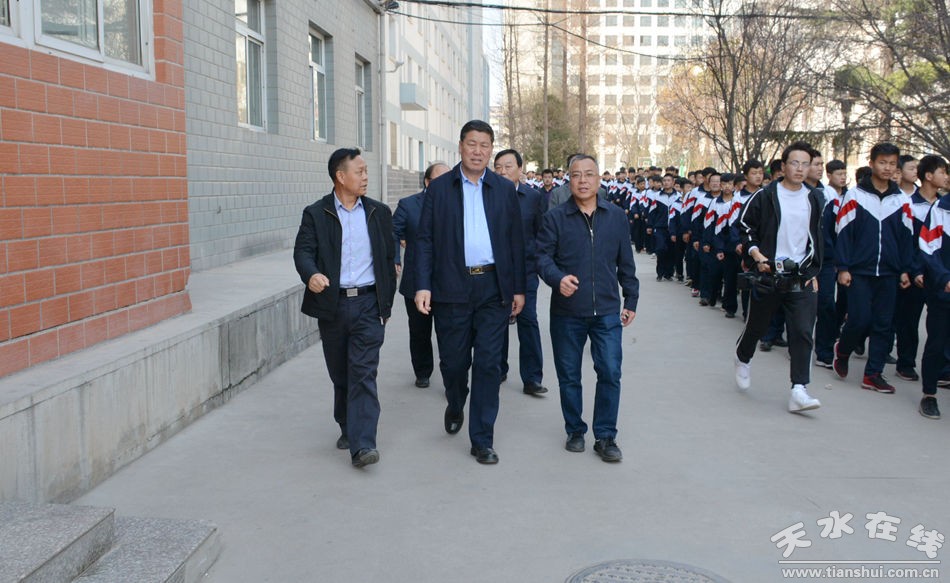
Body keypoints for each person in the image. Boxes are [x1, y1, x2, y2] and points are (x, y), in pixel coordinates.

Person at [414, 120, 526, 465]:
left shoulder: (503, 189)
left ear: (491, 150)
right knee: (454, 362)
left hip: (493, 287)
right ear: (461, 146)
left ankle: (482, 439)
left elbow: (516, 242)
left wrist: (518, 288)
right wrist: (423, 284)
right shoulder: (440, 189)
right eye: (472, 144)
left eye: (484, 145)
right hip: (451, 286)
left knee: (489, 363)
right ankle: (456, 399)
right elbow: (425, 240)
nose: (478, 151)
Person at [293, 148, 397, 468]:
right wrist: (311, 274)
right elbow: (303, 252)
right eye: (359, 171)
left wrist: (386, 300)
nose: (365, 177)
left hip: (368, 303)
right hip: (333, 304)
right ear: (340, 176)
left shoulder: (379, 212)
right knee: (341, 372)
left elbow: (389, 256)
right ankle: (345, 422)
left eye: (366, 171)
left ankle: (363, 444)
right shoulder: (316, 213)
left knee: (363, 372)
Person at [536, 154, 639, 462]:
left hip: (606, 311)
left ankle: (605, 436)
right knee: (569, 375)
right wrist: (557, 278)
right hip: (567, 312)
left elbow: (626, 261)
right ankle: (575, 430)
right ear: (569, 181)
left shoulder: (616, 216)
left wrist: (631, 299)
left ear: (598, 179)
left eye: (589, 174)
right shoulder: (555, 218)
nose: (583, 180)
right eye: (576, 175)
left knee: (610, 371)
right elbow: (541, 258)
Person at [734, 141, 824, 413]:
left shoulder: (816, 198)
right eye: (794, 163)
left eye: (805, 164)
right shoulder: (765, 195)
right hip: (769, 273)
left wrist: (814, 270)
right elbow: (744, 227)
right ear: (783, 166)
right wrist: (757, 255)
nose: (800, 169)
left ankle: (799, 390)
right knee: (757, 326)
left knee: (803, 332)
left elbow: (820, 238)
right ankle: (743, 357)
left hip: (801, 276)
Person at [834, 142, 915, 394]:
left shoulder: (901, 200)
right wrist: (843, 267)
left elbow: (906, 238)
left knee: (883, 324)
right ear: (871, 164)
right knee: (859, 320)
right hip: (859, 270)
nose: (887, 168)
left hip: (889, 272)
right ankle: (843, 350)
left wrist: (905, 269)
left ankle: (873, 374)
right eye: (882, 162)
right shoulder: (855, 196)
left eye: (892, 163)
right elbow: (843, 234)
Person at [493, 148, 548, 396]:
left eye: (508, 166)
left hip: (525, 271)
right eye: (498, 167)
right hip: (495, 271)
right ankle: (498, 369)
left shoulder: (533, 197)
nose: (502, 172)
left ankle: (532, 378)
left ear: (519, 169)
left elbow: (541, 233)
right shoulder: (487, 195)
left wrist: (537, 260)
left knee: (528, 321)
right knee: (497, 321)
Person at [393, 161, 450, 389]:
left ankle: (451, 377)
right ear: (427, 182)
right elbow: (393, 232)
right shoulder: (408, 205)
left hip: (448, 282)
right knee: (419, 332)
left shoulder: (458, 204)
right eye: (439, 180)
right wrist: (395, 259)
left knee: (449, 333)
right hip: (416, 280)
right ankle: (423, 371)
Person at [917, 155, 950, 419]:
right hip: (944, 290)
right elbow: (928, 247)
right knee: (937, 343)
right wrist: (944, 278)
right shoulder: (941, 209)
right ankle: (929, 394)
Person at [814, 159, 848, 368]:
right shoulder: (791, 193)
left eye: (820, 164)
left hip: (826, 259)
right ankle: (795, 343)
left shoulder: (830, 195)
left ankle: (824, 351)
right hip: (799, 258)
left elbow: (839, 228)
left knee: (826, 303)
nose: (818, 168)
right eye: (814, 164)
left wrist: (839, 257)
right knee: (797, 304)